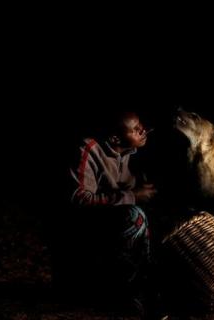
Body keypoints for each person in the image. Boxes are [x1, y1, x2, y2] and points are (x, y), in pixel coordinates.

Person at [68, 110, 159, 316]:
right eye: (135, 129)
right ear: (115, 138)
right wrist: (133, 196)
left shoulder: (125, 153)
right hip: (82, 229)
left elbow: (125, 187)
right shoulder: (88, 149)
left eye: (141, 125)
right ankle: (126, 292)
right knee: (135, 217)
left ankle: (144, 289)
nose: (143, 130)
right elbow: (79, 201)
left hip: (106, 224)